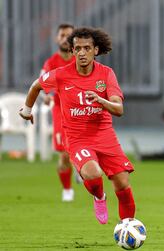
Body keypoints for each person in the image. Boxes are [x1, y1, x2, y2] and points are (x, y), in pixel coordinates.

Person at [19, 27, 135, 224]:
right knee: (92, 173)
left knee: (123, 184)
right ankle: (99, 197)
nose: (82, 53)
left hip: (105, 135)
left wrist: (101, 100)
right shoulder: (61, 74)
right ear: (72, 51)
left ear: (95, 50)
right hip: (78, 138)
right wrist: (27, 110)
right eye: (78, 48)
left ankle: (127, 227)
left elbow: (118, 109)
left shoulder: (106, 74)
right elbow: (36, 86)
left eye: (87, 48)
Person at [40, 23, 76, 202]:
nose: (64, 38)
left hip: (81, 111)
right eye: (62, 35)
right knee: (64, 155)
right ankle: (67, 189)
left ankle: (83, 168)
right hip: (60, 112)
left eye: (68, 35)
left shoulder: (81, 60)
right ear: (57, 38)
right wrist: (45, 96)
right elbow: (41, 85)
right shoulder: (52, 62)